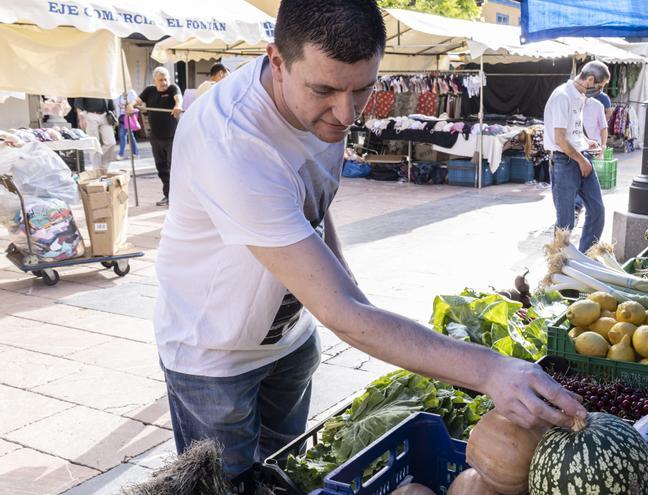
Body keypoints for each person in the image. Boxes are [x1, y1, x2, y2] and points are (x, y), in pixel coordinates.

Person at [154, 0, 584, 479]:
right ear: (277, 61)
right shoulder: (233, 142)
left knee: (285, 476)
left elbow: (310, 201)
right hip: (215, 352)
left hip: (290, 340)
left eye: (362, 89)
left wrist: (340, 274)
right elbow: (343, 315)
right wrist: (489, 371)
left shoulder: (326, 107)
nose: (345, 113)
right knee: (227, 486)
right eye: (324, 90)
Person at [544, 61, 610, 253]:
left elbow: (573, 129)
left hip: (581, 156)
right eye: (599, 86)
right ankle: (557, 262)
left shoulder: (580, 96)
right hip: (564, 161)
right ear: (590, 79)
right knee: (566, 221)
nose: (599, 91)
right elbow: (560, 139)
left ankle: (587, 256)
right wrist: (581, 160)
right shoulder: (562, 96)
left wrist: (586, 141)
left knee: (597, 210)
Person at [128, 67, 183, 206]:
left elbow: (178, 98)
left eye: (165, 79)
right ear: (155, 80)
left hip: (171, 137)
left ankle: (178, 197)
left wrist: (177, 106)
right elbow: (137, 101)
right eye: (160, 80)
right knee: (161, 168)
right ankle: (168, 195)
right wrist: (130, 105)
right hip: (156, 137)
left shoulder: (172, 88)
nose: (164, 82)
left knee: (174, 167)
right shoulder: (149, 90)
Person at [73, 97, 117, 169]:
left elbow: (111, 104)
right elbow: (78, 103)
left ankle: (104, 167)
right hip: (90, 115)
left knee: (111, 142)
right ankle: (97, 169)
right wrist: (81, 118)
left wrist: (114, 116)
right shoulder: (84, 86)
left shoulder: (105, 86)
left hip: (105, 115)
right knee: (94, 143)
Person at [115, 89, 140, 160]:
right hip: (121, 117)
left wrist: (129, 105)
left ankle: (121, 154)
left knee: (122, 134)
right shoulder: (117, 93)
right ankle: (135, 153)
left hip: (129, 116)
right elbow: (116, 107)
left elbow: (137, 102)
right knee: (129, 135)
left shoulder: (131, 92)